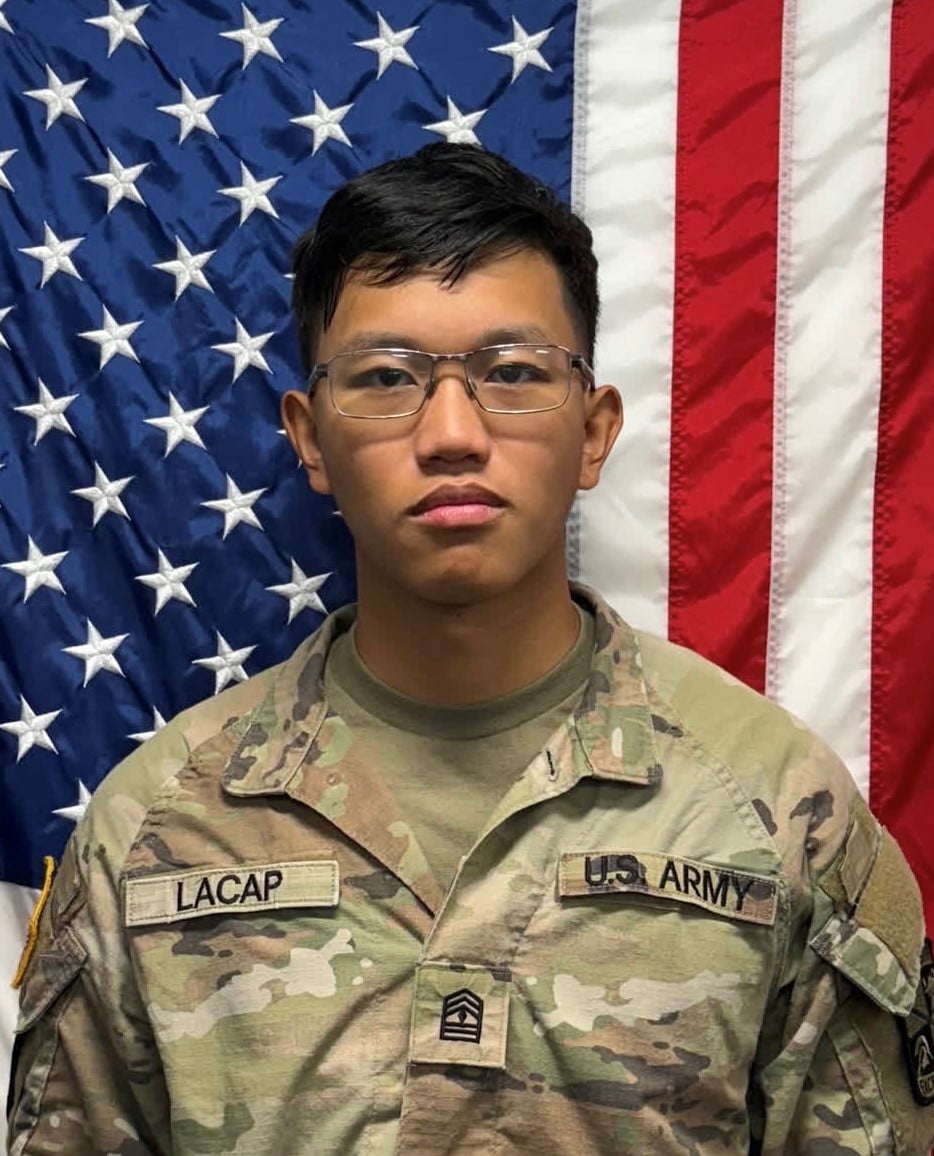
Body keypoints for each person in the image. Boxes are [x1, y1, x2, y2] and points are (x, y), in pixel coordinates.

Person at [7, 143, 934, 1156]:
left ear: (594, 428)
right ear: (308, 437)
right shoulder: (159, 827)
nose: (452, 430)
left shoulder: (776, 810)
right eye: (386, 377)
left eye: (512, 372)